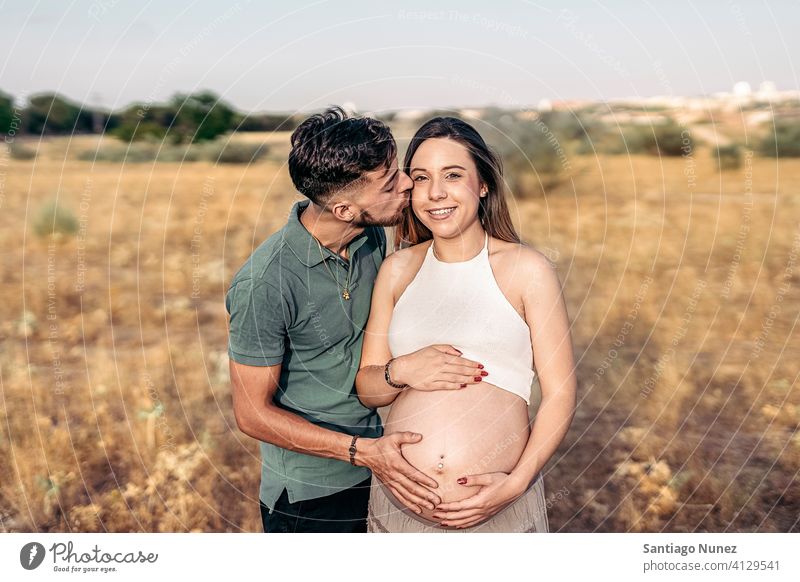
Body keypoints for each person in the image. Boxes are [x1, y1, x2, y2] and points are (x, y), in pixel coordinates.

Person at [225, 107, 483, 533]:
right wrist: (362, 451)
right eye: (389, 184)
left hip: (389, 471)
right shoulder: (265, 284)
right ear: (344, 210)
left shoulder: (371, 236)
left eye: (398, 170)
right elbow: (252, 415)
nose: (407, 184)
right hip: (314, 496)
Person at [355, 116, 577, 532]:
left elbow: (561, 393)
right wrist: (403, 371)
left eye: (452, 175)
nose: (435, 192)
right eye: (421, 178)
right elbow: (368, 390)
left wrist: (515, 484)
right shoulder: (397, 270)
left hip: (495, 508)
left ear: (483, 184)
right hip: (399, 508)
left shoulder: (526, 269)